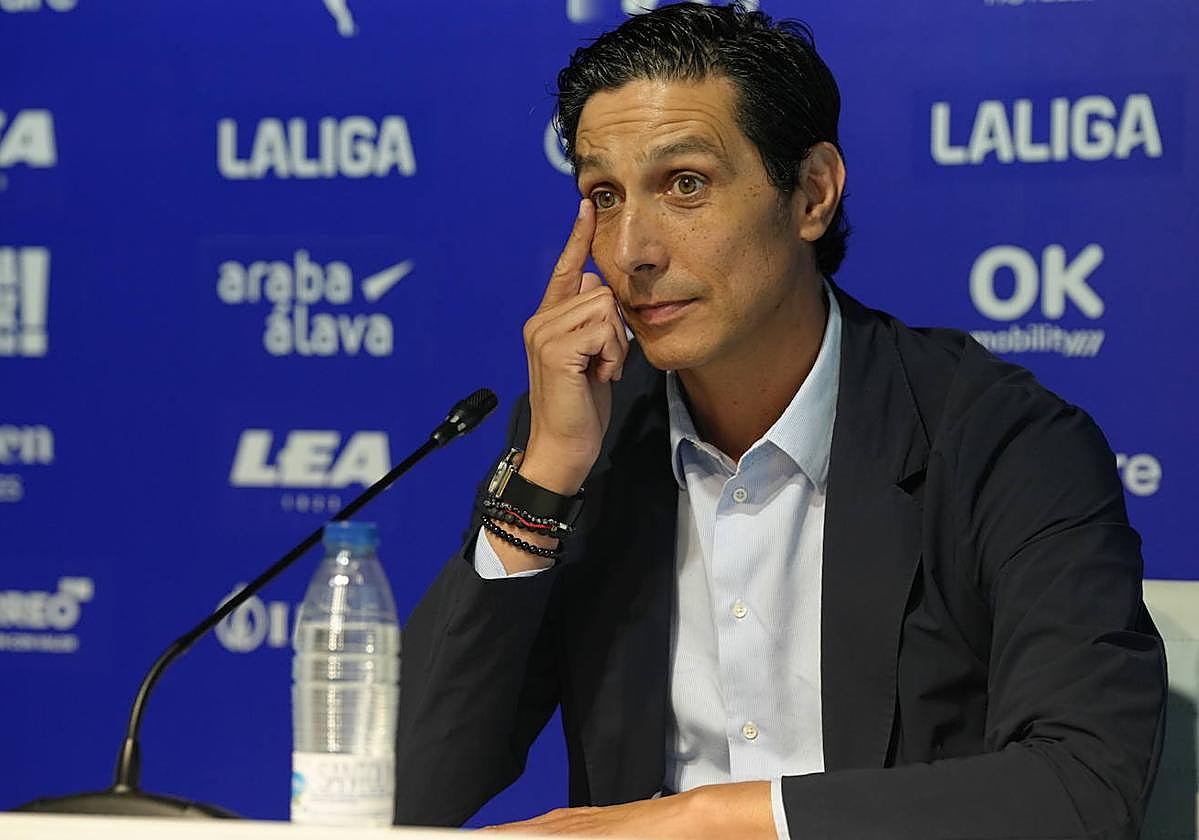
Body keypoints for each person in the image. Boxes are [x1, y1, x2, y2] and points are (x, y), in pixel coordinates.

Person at [393, 4, 1166, 838]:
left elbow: (1082, 786)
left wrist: (701, 819)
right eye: (603, 196)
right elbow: (403, 790)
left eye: (684, 184)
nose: (629, 252)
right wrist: (544, 475)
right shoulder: (588, 437)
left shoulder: (1001, 441)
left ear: (811, 194)